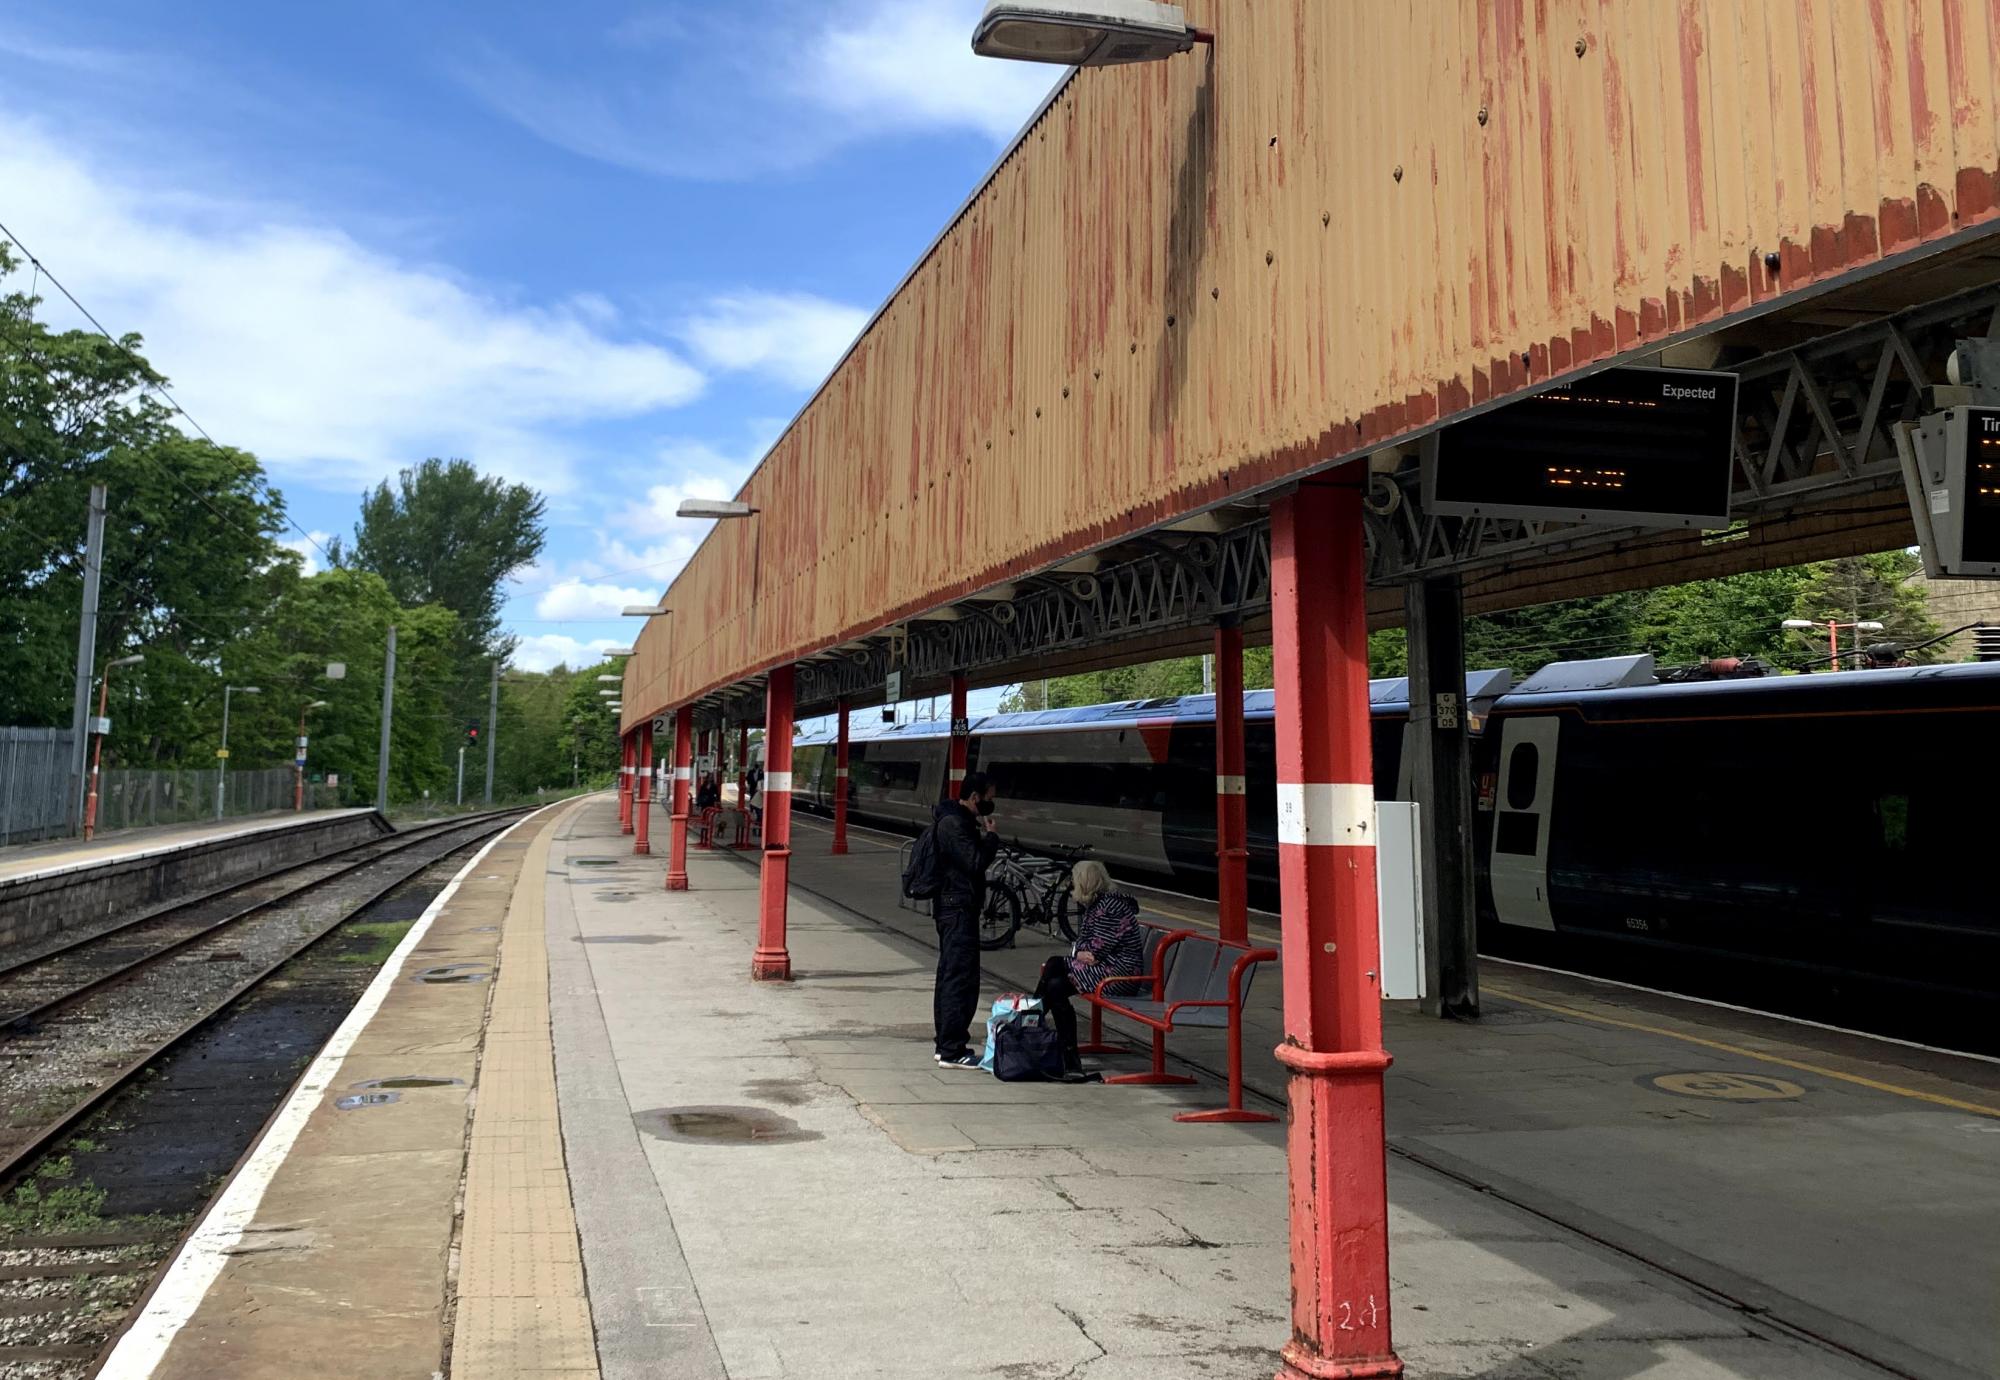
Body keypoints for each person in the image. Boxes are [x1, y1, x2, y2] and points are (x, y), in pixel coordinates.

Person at [1033, 861, 1144, 1072]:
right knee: (1054, 979)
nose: (1071, 885)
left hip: (1119, 975)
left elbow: (1094, 952)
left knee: (1055, 978)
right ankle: (1045, 1036)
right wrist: (1079, 951)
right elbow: (1083, 943)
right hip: (1106, 968)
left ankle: (1029, 1026)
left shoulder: (1109, 908)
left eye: (1074, 881)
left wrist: (1079, 951)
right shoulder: (1099, 904)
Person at [931, 772, 1000, 1069]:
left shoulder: (954, 820)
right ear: (975, 797)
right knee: (960, 978)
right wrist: (992, 838)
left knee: (951, 974)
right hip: (958, 909)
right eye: (989, 798)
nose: (991, 803)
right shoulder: (955, 824)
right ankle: (952, 1050)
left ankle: (946, 1043)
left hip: (955, 907)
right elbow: (974, 862)